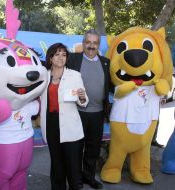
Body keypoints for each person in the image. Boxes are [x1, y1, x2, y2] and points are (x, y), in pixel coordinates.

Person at [40, 43, 88, 190]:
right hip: (51, 124)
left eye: (64, 54)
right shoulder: (43, 76)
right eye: (57, 54)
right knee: (56, 165)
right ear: (50, 57)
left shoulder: (75, 75)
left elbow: (84, 102)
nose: (61, 57)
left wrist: (82, 96)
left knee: (73, 167)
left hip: (70, 126)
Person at [67, 29, 111, 189]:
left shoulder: (106, 62)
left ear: (98, 45)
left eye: (95, 43)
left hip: (98, 114)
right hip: (77, 112)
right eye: (88, 42)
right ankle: (76, 180)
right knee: (77, 148)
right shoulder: (72, 59)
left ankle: (89, 177)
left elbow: (112, 86)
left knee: (93, 148)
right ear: (83, 43)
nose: (91, 46)